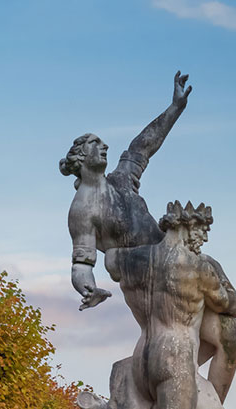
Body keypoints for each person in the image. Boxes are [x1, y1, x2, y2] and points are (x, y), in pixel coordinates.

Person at [103, 201, 236, 409]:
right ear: (186, 227)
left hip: (143, 353)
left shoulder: (133, 259)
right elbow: (230, 304)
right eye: (201, 230)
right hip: (177, 351)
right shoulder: (199, 266)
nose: (203, 237)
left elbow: (110, 261)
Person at [61, 71, 191, 310]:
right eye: (95, 143)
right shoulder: (82, 209)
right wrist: (89, 289)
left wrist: (176, 107)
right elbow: (82, 263)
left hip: (166, 252)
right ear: (80, 157)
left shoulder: (120, 178)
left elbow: (144, 144)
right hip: (138, 270)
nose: (105, 146)